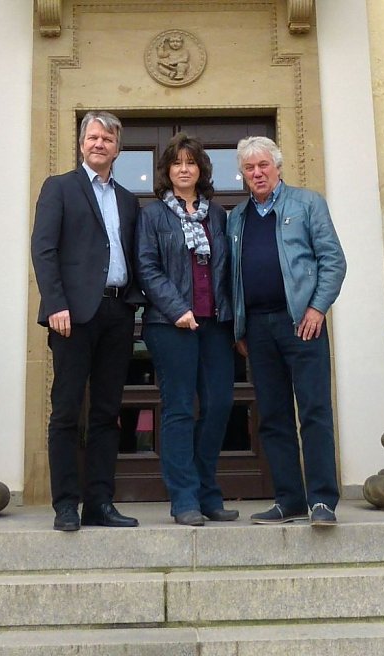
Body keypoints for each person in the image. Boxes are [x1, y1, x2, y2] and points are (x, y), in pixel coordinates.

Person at [32, 110, 145, 531]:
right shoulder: (60, 188)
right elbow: (44, 249)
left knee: (106, 412)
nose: (100, 144)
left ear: (118, 148)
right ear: (82, 143)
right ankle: (66, 504)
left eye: (108, 139)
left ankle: (100, 502)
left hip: (117, 313)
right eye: (93, 137)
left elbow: (132, 254)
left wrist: (134, 303)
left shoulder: (129, 199)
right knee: (65, 411)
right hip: (72, 316)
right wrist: (55, 303)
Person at [227, 136, 347, 526]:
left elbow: (333, 261)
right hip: (258, 329)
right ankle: (289, 500)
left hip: (302, 324)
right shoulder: (237, 218)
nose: (257, 173)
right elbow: (232, 276)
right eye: (249, 168)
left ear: (278, 166)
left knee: (314, 411)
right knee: (274, 417)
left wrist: (317, 307)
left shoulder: (307, 203)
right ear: (243, 174)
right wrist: (239, 325)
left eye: (263, 165)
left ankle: (323, 501)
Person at [135, 133, 239, 526]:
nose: (184, 169)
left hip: (214, 324)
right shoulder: (152, 216)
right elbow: (147, 267)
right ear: (166, 171)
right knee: (179, 410)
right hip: (170, 325)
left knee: (218, 406)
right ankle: (184, 499)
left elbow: (226, 271)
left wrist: (232, 318)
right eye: (176, 163)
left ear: (201, 169)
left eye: (191, 162)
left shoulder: (217, 215)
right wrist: (177, 308)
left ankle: (208, 492)